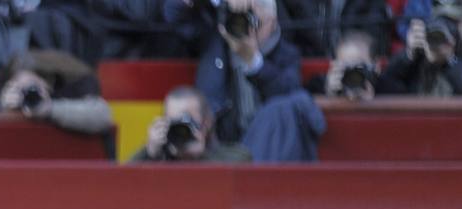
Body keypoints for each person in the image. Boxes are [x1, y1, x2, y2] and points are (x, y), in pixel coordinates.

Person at [196, 0, 325, 162]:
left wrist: (253, 61)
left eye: (252, 19)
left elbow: (290, 104)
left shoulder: (287, 55)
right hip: (224, 149)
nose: (246, 28)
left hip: (272, 153)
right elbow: (177, 13)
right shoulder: (215, 47)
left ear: (272, 21)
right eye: (239, 19)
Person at [0, 49, 114, 136]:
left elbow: (102, 115)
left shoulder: (73, 87)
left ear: (47, 84)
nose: (25, 94)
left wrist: (48, 108)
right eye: (18, 88)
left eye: (31, 87)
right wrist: (3, 109)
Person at [378, 0, 462, 95]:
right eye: (442, 19)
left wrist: (450, 61)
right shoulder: (425, 46)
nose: (447, 27)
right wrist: (408, 55)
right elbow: (384, 87)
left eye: (454, 21)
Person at [129, 84, 252, 162]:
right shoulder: (158, 158)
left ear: (206, 123)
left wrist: (200, 157)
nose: (180, 127)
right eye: (174, 121)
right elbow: (125, 183)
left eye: (186, 120)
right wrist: (150, 153)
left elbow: (242, 163)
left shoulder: (234, 157)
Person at [306, 30, 380, 100]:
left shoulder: (388, 88)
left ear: (376, 66)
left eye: (359, 67)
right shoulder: (316, 86)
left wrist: (373, 102)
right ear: (335, 66)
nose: (353, 73)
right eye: (346, 67)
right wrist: (330, 95)